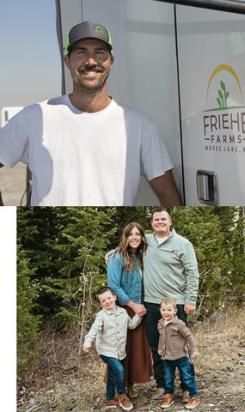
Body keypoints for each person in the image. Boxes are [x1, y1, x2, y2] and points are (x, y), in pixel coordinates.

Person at [0, 21, 182, 206]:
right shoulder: (34, 117)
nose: (90, 61)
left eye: (100, 52)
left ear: (111, 61)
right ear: (67, 61)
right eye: (81, 52)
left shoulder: (138, 124)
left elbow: (168, 194)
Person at [143, 207, 200, 400]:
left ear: (170, 222)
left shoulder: (183, 244)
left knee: (181, 347)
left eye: (163, 219)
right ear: (152, 223)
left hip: (175, 304)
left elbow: (192, 272)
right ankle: (162, 386)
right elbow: (127, 246)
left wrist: (191, 300)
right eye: (156, 219)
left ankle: (186, 387)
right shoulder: (146, 241)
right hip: (151, 304)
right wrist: (111, 255)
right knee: (156, 346)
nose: (159, 222)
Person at [107, 222, 154, 399]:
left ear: (142, 237)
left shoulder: (139, 255)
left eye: (138, 234)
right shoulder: (117, 257)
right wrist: (133, 306)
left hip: (140, 308)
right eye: (130, 234)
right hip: (124, 309)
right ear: (125, 237)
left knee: (134, 350)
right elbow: (114, 286)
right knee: (121, 349)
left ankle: (130, 384)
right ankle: (119, 388)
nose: (134, 237)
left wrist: (140, 307)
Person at [82, 286, 142, 411]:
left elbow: (131, 325)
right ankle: (122, 395)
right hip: (106, 350)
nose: (107, 302)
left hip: (120, 350)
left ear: (114, 297)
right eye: (103, 301)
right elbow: (94, 329)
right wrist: (87, 342)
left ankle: (109, 398)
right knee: (119, 370)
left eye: (109, 298)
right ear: (100, 304)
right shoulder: (101, 316)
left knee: (112, 373)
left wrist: (138, 315)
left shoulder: (123, 312)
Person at [157, 297, 201, 409]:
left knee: (187, 376)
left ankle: (194, 396)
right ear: (160, 310)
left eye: (169, 310)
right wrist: (160, 349)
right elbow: (162, 338)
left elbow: (189, 337)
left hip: (181, 356)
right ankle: (168, 395)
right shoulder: (160, 324)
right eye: (163, 310)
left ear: (175, 311)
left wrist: (194, 350)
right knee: (168, 377)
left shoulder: (179, 324)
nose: (166, 312)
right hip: (167, 357)